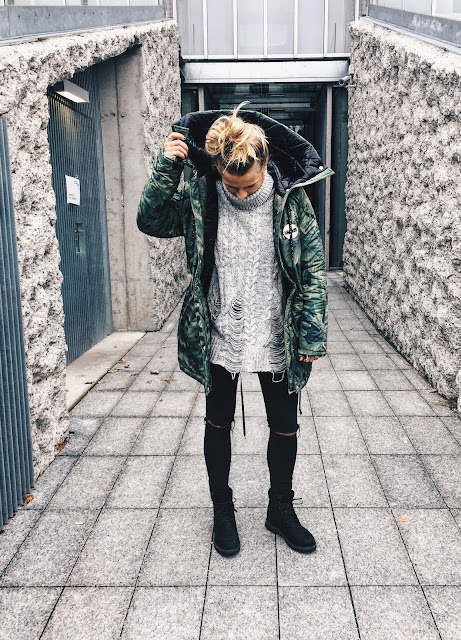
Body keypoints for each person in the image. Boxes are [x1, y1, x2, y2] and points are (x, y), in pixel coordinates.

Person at [137, 102, 332, 557]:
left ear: (265, 163)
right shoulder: (203, 196)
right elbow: (151, 219)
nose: (241, 195)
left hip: (276, 332)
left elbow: (313, 271)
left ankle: (280, 509)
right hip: (219, 331)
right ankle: (222, 510)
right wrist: (168, 168)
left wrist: (311, 333)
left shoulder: (291, 200)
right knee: (217, 423)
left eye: (249, 185)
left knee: (285, 426)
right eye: (232, 186)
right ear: (219, 172)